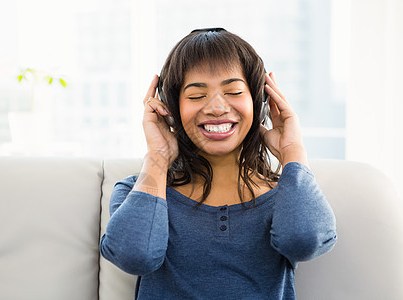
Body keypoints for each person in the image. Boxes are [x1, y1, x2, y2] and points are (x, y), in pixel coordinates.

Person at [100, 28, 337, 299]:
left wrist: (292, 151)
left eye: (234, 90)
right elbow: (134, 256)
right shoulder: (138, 191)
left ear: (260, 101)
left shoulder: (289, 193)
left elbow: (304, 241)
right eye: (196, 96)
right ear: (172, 108)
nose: (216, 107)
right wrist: (157, 158)